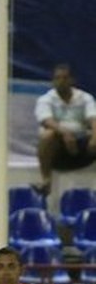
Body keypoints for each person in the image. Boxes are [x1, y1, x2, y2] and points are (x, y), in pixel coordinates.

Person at [33, 63, 96, 196]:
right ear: (53, 81)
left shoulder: (85, 98)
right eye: (58, 78)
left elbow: (93, 119)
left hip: (82, 144)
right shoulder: (45, 99)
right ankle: (46, 181)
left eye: (65, 78)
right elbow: (46, 120)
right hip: (58, 147)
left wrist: (94, 138)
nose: (61, 81)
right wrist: (65, 133)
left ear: (72, 80)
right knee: (48, 135)